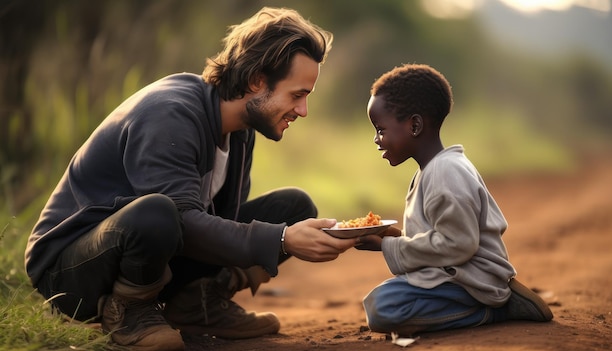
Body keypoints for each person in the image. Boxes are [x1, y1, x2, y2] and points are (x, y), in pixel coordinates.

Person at [24, 7, 357, 351]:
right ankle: (129, 312)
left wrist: (289, 232)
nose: (302, 111)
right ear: (258, 80)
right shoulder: (170, 114)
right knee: (159, 213)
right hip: (70, 269)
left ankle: (197, 302)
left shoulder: (242, 129)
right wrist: (283, 240)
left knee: (294, 207)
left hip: (153, 247)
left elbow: (218, 224)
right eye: (297, 95)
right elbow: (183, 220)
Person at [356, 63, 553, 336]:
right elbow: (444, 235)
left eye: (380, 129)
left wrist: (389, 247)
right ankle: (482, 306)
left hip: (473, 281)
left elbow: (458, 244)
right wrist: (394, 236)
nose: (376, 139)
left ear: (414, 125)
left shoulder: (444, 172)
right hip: (455, 274)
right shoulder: (433, 169)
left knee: (383, 307)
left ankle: (493, 310)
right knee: (384, 300)